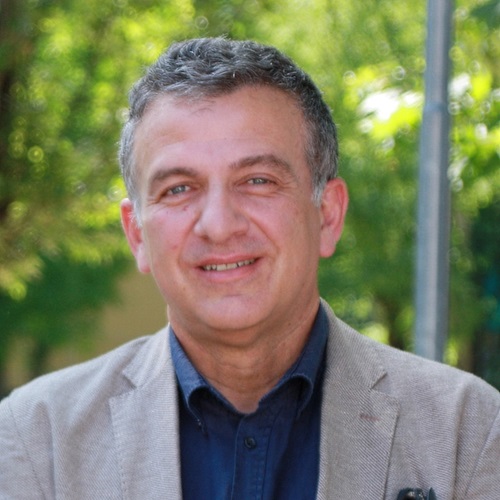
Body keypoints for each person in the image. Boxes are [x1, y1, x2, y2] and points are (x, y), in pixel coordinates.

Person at [0, 37, 499, 500]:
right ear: (136, 234)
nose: (219, 226)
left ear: (327, 215)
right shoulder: (36, 441)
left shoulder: (467, 432)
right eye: (179, 189)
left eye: (258, 180)